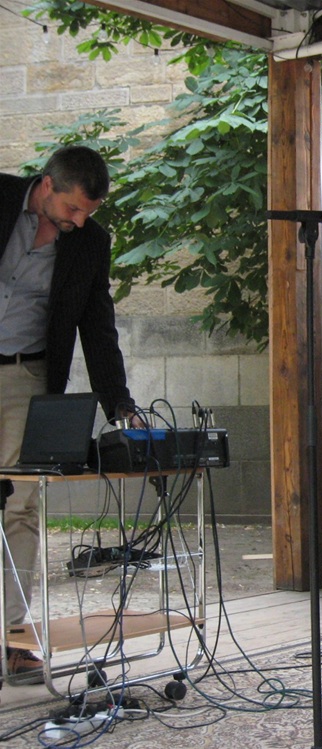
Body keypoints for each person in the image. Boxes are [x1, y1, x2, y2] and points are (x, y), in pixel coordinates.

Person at [0, 145, 136, 684]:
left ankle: (14, 638)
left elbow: (97, 326)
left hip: (26, 376)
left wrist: (118, 402)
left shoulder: (90, 242)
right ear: (46, 186)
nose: (79, 221)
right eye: (73, 208)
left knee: (20, 504)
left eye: (89, 213)